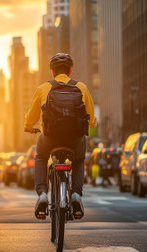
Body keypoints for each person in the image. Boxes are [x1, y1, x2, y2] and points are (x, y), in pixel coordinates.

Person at [24, 53, 97, 219]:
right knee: (78, 160)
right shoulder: (82, 88)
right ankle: (76, 195)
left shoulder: (43, 88)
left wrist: (28, 127)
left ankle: (42, 193)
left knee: (41, 157)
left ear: (52, 71)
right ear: (70, 71)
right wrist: (90, 125)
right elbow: (91, 119)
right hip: (75, 138)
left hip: (50, 137)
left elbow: (32, 116)